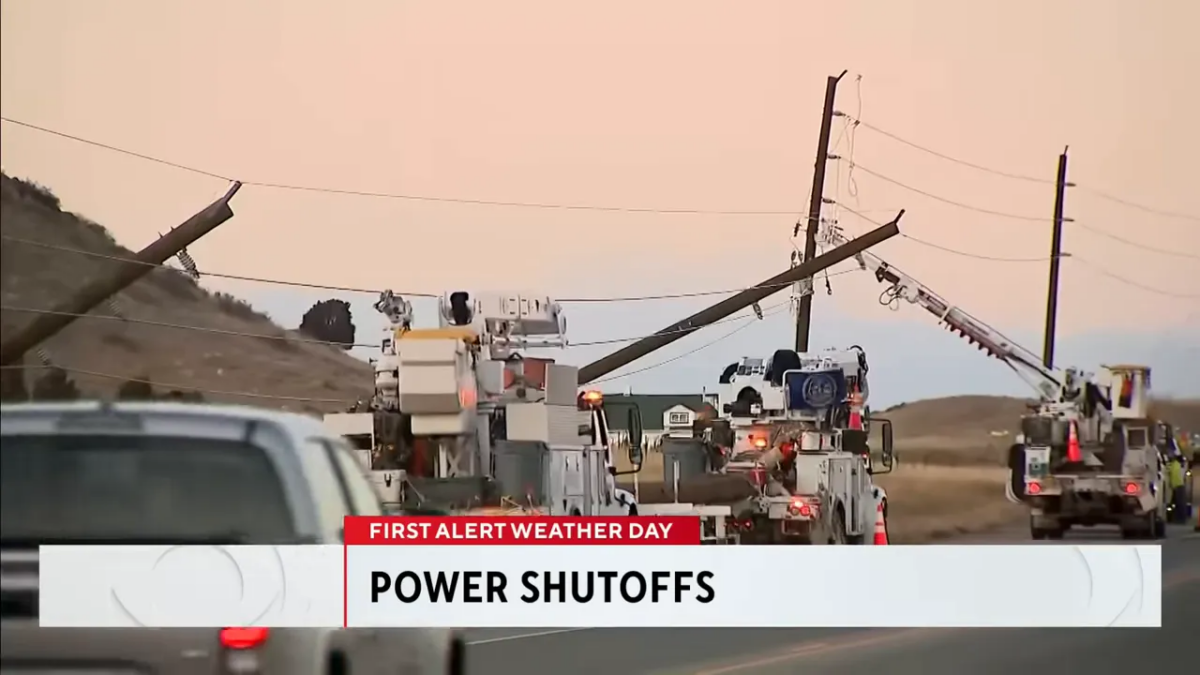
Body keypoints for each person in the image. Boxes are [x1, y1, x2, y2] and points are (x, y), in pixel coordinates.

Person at [1165, 453, 1186, 524]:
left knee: (1178, 503)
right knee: (1180, 503)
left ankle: (1178, 518)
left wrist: (1172, 485)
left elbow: (1172, 475)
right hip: (1180, 485)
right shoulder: (1178, 465)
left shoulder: (1174, 465)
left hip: (1176, 485)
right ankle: (1180, 518)